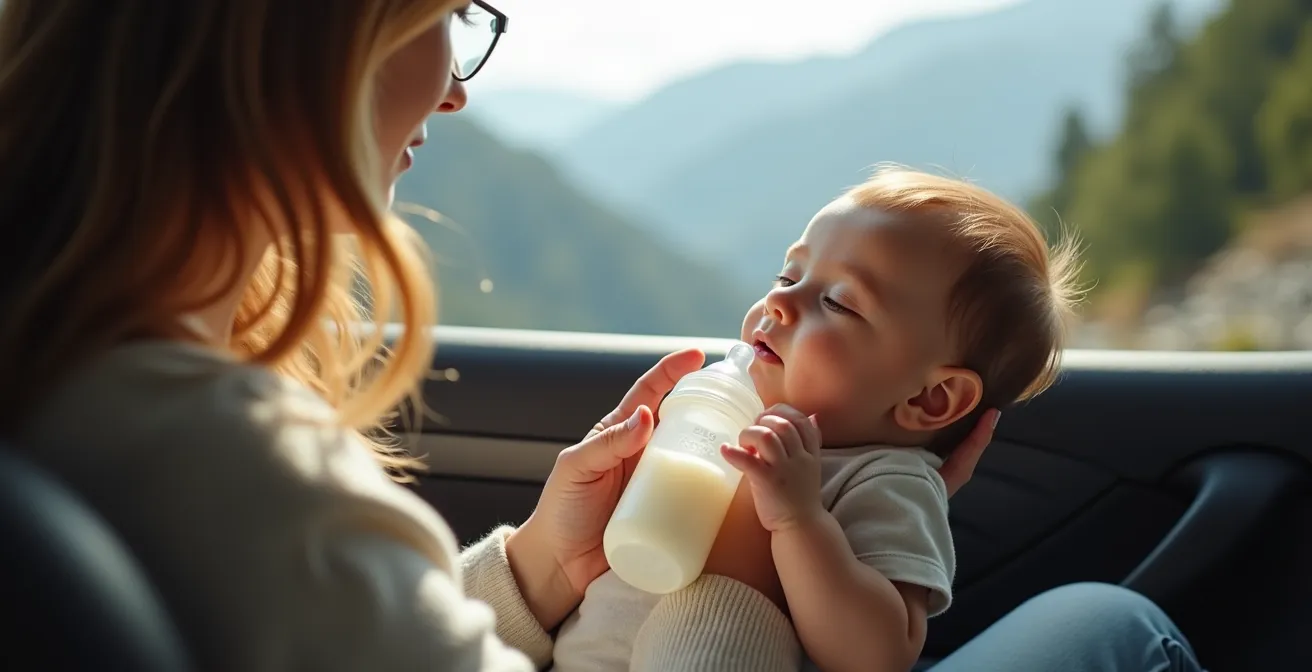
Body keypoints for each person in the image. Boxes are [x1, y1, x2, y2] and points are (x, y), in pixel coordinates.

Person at [0, 1, 1198, 671]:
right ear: (300, 44)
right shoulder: (220, 451)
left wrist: (540, 565)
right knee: (1112, 626)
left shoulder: (79, 377)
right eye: (449, 14)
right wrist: (733, 591)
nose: (458, 87)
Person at [552, 167, 1081, 672]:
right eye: (788, 274)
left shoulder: (888, 482)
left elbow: (877, 656)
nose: (779, 300)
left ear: (931, 399)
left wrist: (800, 523)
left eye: (837, 303)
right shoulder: (726, 418)